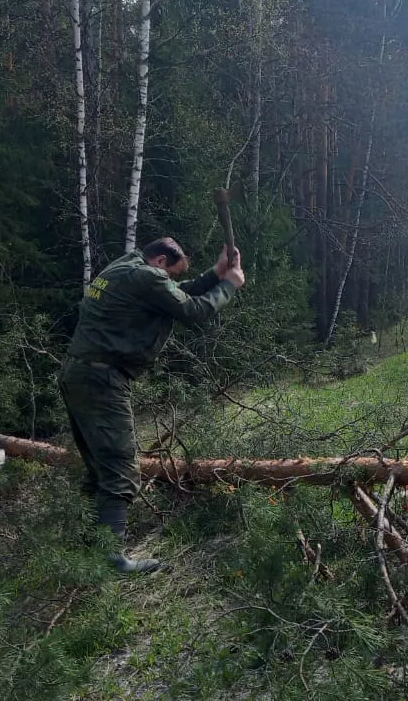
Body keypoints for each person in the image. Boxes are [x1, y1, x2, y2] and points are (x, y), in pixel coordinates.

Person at [58, 237, 246, 572]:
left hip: (78, 373)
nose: (170, 280)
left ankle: (88, 548)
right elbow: (192, 310)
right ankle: (111, 560)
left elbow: (175, 293)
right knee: (120, 469)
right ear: (160, 261)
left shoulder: (125, 267)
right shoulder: (148, 277)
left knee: (99, 468)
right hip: (103, 380)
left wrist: (216, 273)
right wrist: (229, 285)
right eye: (171, 273)